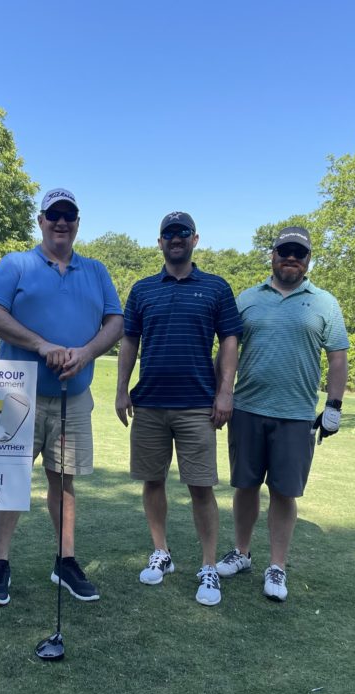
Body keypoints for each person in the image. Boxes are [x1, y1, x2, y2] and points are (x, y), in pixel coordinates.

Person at [0, 188, 123, 606]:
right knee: (10, 478)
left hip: (73, 397)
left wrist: (86, 352)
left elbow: (115, 321)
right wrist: (42, 345)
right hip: (16, 393)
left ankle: (65, 560)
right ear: (41, 221)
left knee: (65, 480)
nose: (62, 223)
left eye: (70, 216)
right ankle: (1, 563)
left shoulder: (96, 271)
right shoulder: (16, 264)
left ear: (78, 224)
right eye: (54, 215)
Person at [215, 226, 349, 602]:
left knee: (284, 492)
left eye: (299, 254)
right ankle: (241, 553)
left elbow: (337, 357)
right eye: (284, 251)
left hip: (296, 414)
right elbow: (228, 351)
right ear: (272, 255)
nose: (291, 258)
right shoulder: (247, 299)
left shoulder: (324, 302)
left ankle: (277, 566)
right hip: (247, 409)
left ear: (308, 261)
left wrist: (334, 406)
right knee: (244, 487)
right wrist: (220, 392)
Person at [115, 212, 242, 606]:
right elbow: (129, 342)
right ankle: (162, 553)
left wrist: (225, 392)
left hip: (197, 406)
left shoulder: (217, 288)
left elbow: (230, 342)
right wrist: (122, 390)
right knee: (152, 482)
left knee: (201, 488)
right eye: (169, 234)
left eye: (182, 233)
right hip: (150, 403)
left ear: (195, 239)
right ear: (159, 242)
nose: (176, 239)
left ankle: (207, 566)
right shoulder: (142, 290)